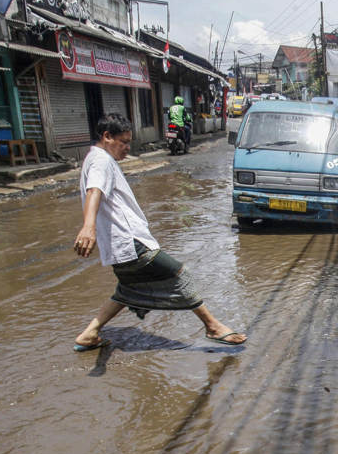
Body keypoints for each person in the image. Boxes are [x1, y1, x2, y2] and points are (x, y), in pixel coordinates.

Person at [72, 114, 247, 351]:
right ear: (106, 137)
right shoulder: (101, 161)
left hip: (118, 246)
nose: (127, 148)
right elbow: (95, 191)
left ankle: (90, 333)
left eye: (128, 142)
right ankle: (213, 326)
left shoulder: (95, 158)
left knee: (127, 290)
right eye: (123, 142)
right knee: (178, 274)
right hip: (130, 241)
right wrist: (88, 226)